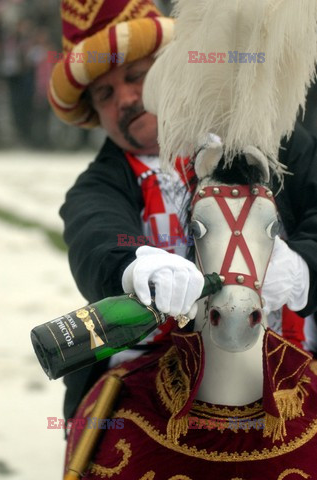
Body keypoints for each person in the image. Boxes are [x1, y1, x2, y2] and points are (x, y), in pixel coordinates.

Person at [49, 0, 317, 422]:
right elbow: (94, 237)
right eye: (106, 93)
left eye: (136, 77)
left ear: (168, 69)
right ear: (93, 112)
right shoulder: (99, 184)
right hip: (149, 383)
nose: (127, 99)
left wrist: (304, 270)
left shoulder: (267, 137)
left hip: (292, 366)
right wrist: (133, 267)